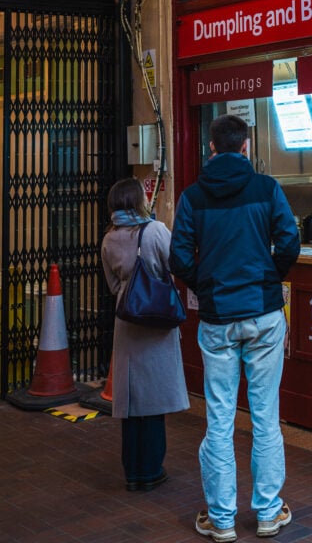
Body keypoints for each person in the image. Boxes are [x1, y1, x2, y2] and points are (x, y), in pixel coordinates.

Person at [170, 114, 300, 543]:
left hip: (217, 320)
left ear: (211, 148)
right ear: (246, 147)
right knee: (265, 417)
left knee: (219, 420)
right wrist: (269, 277)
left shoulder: (192, 197)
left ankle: (222, 519)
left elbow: (179, 257)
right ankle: (267, 513)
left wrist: (206, 286)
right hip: (264, 315)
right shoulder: (267, 188)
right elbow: (290, 241)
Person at [101, 177, 189, 491]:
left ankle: (133, 471)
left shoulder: (109, 239)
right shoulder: (155, 231)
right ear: (140, 201)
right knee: (154, 401)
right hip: (158, 321)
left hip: (127, 323)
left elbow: (113, 286)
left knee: (132, 400)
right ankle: (152, 469)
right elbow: (177, 263)